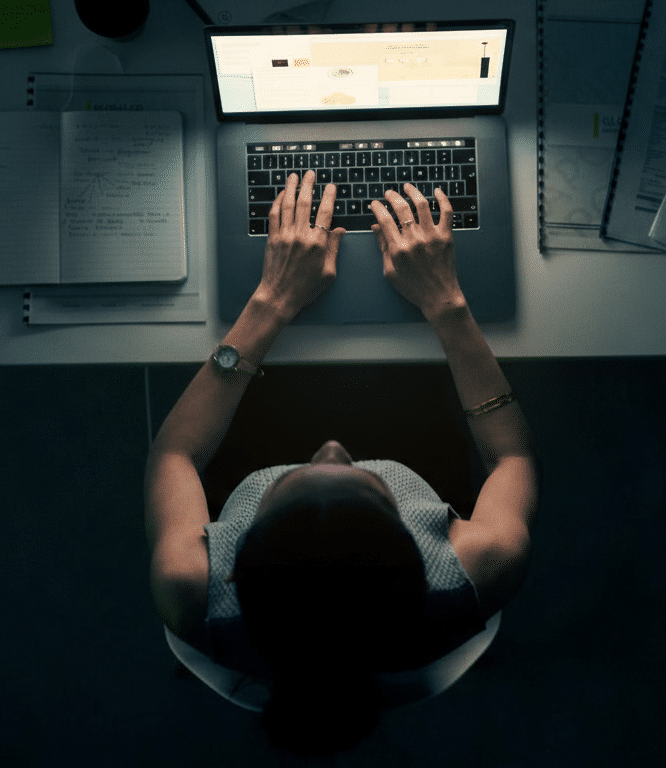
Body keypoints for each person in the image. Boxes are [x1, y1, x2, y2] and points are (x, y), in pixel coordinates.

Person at [144, 170, 539, 755]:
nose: (332, 446)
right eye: (369, 481)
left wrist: (272, 300)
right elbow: (511, 453)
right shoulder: (485, 563)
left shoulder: (189, 588)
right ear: (423, 553)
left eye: (292, 479)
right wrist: (445, 302)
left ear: (231, 563)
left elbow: (173, 453)